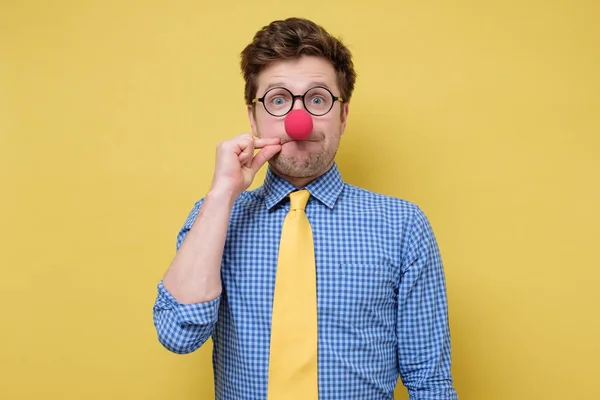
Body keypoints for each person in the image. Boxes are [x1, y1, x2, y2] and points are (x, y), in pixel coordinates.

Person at [153, 17, 458, 400]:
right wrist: (221, 195)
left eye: (317, 99)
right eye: (279, 100)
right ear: (253, 117)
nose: (300, 120)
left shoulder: (403, 226)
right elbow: (178, 334)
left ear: (343, 116)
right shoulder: (215, 216)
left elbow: (430, 384)